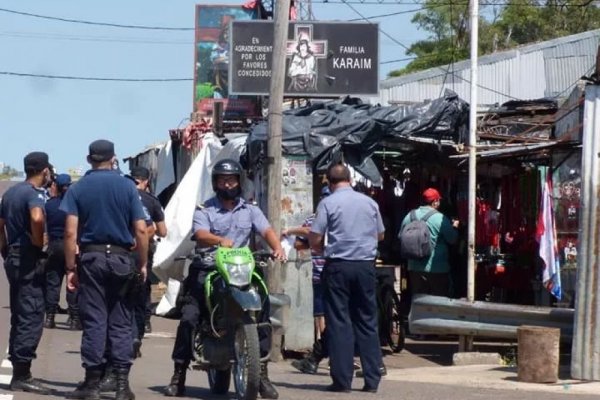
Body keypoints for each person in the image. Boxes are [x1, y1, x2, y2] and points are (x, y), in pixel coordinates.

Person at [164, 158, 285, 399]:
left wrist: (277, 247)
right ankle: (179, 375)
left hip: (241, 268)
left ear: (239, 181)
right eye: (222, 180)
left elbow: (266, 230)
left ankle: (261, 373)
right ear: (216, 183)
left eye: (231, 180)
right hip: (209, 268)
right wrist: (219, 241)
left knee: (264, 311)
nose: (227, 184)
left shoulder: (251, 209)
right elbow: (200, 234)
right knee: (189, 316)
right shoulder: (205, 209)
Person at [61, 139, 148, 400]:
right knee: (121, 321)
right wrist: (142, 262)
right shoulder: (127, 187)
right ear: (114, 159)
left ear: (89, 160)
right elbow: (142, 229)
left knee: (95, 320)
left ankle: (92, 383)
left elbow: (69, 232)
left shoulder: (78, 189)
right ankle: (122, 385)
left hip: (92, 258)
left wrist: (69, 268)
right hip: (122, 259)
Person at [309, 164, 385, 393]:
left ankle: (342, 381)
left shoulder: (328, 203)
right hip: (365, 267)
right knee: (367, 321)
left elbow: (315, 238)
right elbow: (380, 234)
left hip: (338, 267)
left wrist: (323, 247)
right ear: (350, 179)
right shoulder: (369, 203)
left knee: (340, 322)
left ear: (330, 183)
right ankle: (372, 379)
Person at [0, 152, 54, 395]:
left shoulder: (11, 193)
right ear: (44, 171)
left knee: (20, 313)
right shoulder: (34, 195)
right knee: (31, 313)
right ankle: (22, 373)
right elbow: (36, 216)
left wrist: (4, 248)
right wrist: (37, 239)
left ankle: (18, 366)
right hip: (28, 257)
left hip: (13, 255)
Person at [285, 186, 329, 374]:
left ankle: (322, 355)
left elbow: (302, 237)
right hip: (327, 273)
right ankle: (325, 354)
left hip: (322, 273)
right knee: (327, 315)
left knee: (322, 315)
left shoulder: (315, 218)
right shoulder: (341, 216)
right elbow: (300, 242)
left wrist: (292, 229)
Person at [129, 165, 167, 353]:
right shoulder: (151, 201)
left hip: (122, 252)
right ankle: (139, 332)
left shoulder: (122, 197)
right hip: (143, 253)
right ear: (145, 182)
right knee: (142, 293)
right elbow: (163, 231)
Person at [401, 188, 459, 297]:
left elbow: (401, 236)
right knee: (438, 304)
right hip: (437, 268)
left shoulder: (409, 216)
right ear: (435, 202)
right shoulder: (440, 218)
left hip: (414, 268)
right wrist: (455, 227)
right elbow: (453, 239)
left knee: (419, 303)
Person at [43, 173, 81, 331]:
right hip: (71, 245)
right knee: (72, 283)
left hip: (54, 244)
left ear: (56, 187)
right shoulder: (75, 205)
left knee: (53, 282)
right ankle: (74, 318)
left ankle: (50, 317)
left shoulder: (50, 205)